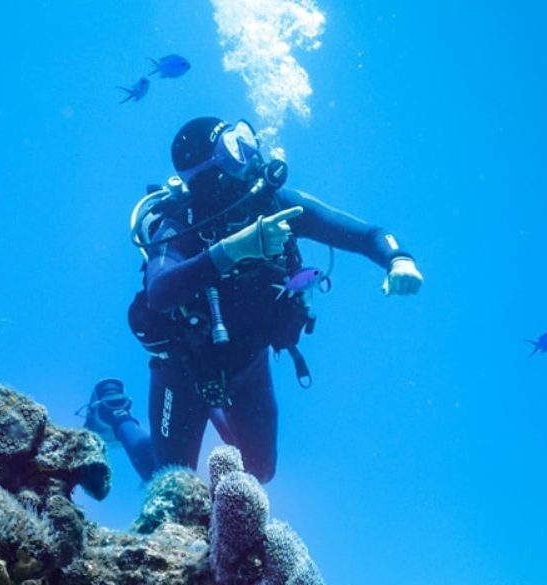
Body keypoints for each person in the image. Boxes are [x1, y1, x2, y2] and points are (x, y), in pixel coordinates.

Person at [81, 117, 423, 484]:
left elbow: (367, 234)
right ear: (212, 175)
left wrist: (398, 258)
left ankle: (213, 408)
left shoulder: (279, 205)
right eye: (236, 148)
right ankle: (114, 413)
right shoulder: (182, 224)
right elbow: (160, 292)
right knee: (169, 482)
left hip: (249, 363)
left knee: (259, 473)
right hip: (184, 369)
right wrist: (232, 250)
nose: (254, 154)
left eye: (246, 138)